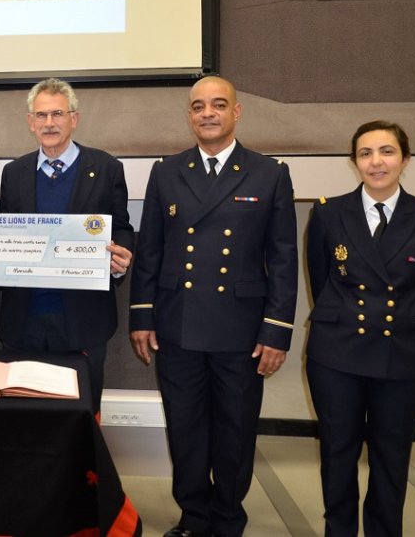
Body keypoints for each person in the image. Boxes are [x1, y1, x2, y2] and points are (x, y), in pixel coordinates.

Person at [128, 75, 298, 537]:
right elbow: (151, 252)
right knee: (184, 427)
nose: (208, 113)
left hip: (240, 329)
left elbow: (283, 260)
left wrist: (276, 331)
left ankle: (227, 517)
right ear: (189, 114)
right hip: (178, 323)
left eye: (218, 105)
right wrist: (142, 315)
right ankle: (193, 516)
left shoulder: (268, 173)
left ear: (236, 112)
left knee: (235, 429)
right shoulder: (167, 171)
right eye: (199, 105)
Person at [305, 121, 415, 537]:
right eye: (365, 153)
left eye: (387, 151)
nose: (376, 161)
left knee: (391, 456)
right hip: (336, 353)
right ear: (354, 162)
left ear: (405, 159)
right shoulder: (328, 211)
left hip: (403, 354)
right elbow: (322, 280)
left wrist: (401, 317)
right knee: (338, 452)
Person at [0, 78, 133, 409]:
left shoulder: (105, 168)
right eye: (41, 115)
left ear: (75, 118)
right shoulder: (13, 173)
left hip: (83, 319)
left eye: (58, 114)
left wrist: (119, 261)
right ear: (30, 122)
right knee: (28, 414)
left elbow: (122, 228)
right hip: (24, 319)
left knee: (81, 412)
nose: (49, 123)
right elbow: (6, 237)